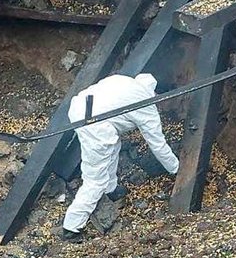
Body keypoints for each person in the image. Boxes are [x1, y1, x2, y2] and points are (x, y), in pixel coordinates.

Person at [61, 73, 179, 240]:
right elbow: (158, 145)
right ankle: (71, 227)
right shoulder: (146, 106)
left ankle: (111, 189)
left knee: (113, 144)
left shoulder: (125, 80)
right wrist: (177, 169)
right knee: (95, 179)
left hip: (81, 108)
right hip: (96, 125)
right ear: (156, 94)